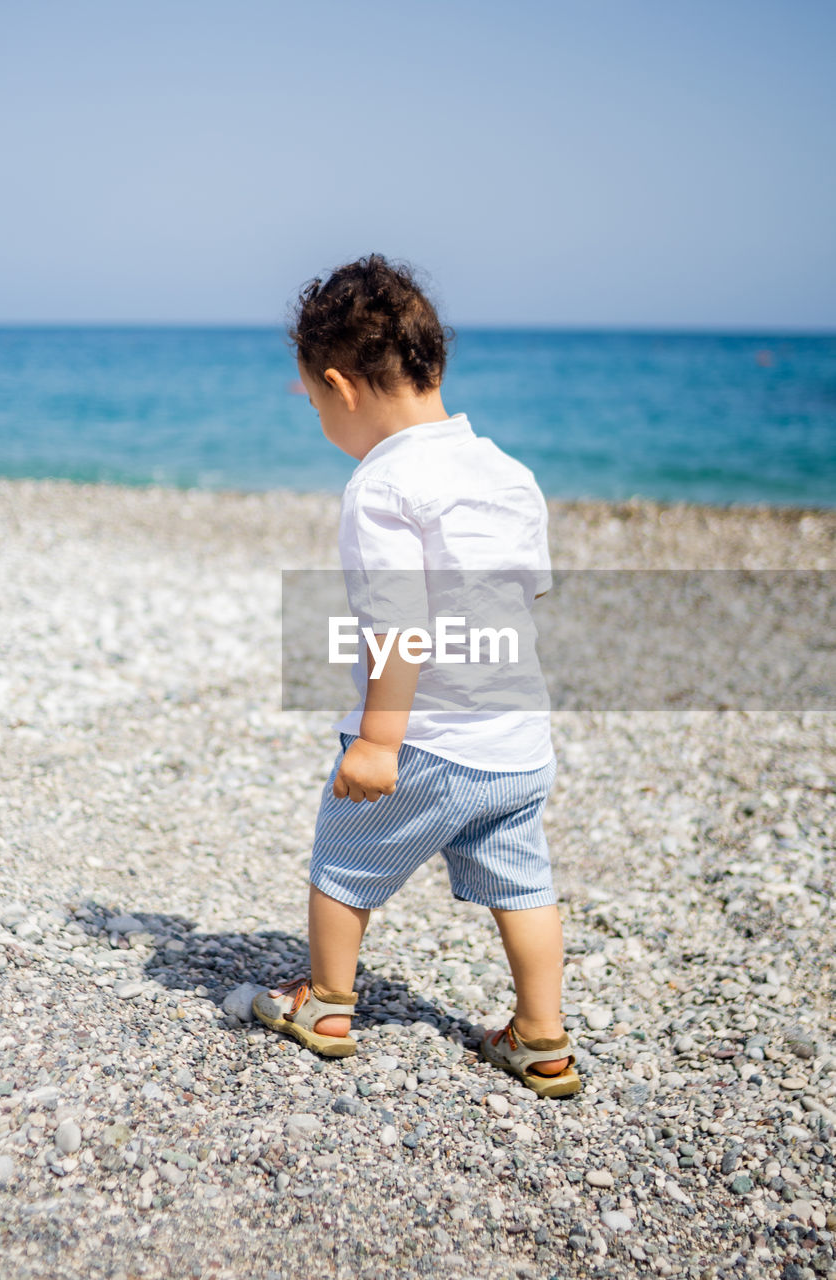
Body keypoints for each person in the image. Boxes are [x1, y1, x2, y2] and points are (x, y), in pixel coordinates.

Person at [253, 254, 580, 1097]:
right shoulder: (508, 472)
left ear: (340, 386)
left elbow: (398, 627)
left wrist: (375, 740)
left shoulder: (381, 486)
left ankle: (325, 1004)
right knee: (524, 882)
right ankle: (541, 1038)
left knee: (343, 862)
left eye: (315, 404)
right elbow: (524, 590)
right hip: (516, 741)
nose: (322, 420)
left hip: (425, 742)